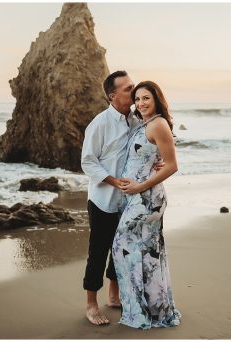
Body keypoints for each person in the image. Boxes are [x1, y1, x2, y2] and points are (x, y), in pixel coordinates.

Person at [111, 80, 182, 329]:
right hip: (138, 198)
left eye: (146, 98)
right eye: (137, 99)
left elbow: (172, 166)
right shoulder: (146, 123)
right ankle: (154, 310)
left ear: (156, 99)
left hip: (148, 199)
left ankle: (139, 312)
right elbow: (155, 157)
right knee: (147, 252)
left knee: (121, 247)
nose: (140, 103)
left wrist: (140, 186)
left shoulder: (158, 124)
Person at [80, 70, 137, 326]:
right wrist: (113, 181)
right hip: (102, 200)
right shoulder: (100, 123)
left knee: (120, 249)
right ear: (113, 96)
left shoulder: (136, 121)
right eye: (128, 88)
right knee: (98, 252)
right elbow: (87, 162)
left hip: (128, 201)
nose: (133, 91)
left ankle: (114, 296)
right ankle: (91, 304)